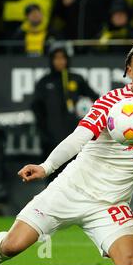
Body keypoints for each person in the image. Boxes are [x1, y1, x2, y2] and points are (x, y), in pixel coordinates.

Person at [0, 41, 133, 265]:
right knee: (12, 246)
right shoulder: (111, 102)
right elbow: (77, 138)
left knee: (131, 260)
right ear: (129, 71)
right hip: (70, 190)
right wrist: (47, 167)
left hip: (111, 204)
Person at [32, 44, 99, 184]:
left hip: (74, 138)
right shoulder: (44, 82)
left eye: (63, 58)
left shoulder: (77, 79)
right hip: (51, 139)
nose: (60, 61)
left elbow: (97, 99)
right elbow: (37, 109)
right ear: (51, 60)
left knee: (75, 177)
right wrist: (44, 134)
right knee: (52, 179)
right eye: (56, 58)